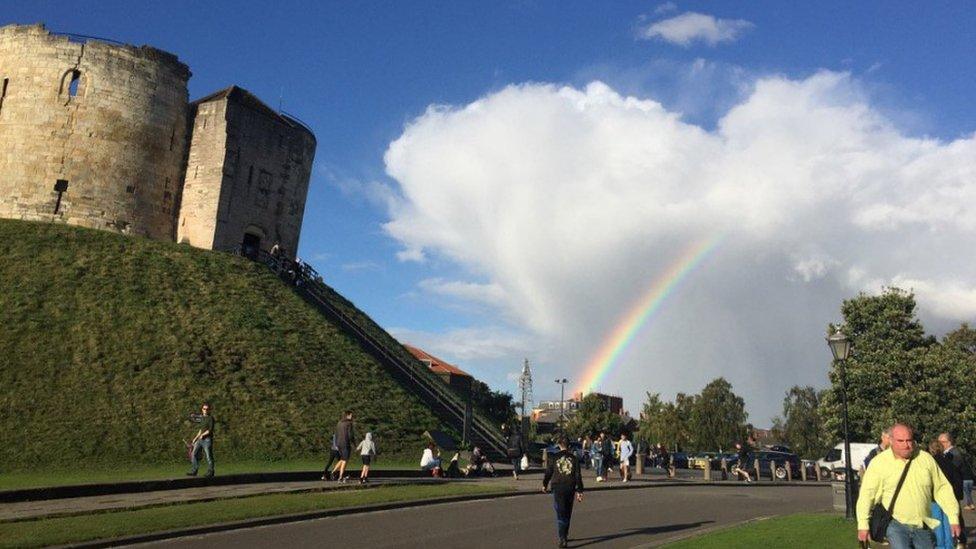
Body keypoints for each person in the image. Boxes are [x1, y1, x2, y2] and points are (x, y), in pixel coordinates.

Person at [856, 423, 960, 548]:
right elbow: (867, 495)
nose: (906, 445)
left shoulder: (925, 459)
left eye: (909, 440)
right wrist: (863, 525)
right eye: (901, 441)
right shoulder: (879, 463)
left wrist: (954, 519)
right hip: (895, 524)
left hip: (922, 524)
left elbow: (942, 488)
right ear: (891, 441)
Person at [543, 436, 584, 548]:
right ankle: (565, 534)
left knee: (560, 512)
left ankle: (562, 538)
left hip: (558, 486)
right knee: (567, 511)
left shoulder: (554, 457)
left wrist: (544, 484)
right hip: (570, 486)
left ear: (559, 445)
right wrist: (580, 490)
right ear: (569, 446)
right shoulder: (574, 459)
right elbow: (577, 476)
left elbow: (549, 472)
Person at [929, 440, 961, 549]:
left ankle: (940, 546)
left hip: (934, 498)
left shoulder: (930, 463)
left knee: (937, 525)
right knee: (948, 525)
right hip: (949, 498)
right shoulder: (949, 463)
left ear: (931, 450)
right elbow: (956, 480)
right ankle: (949, 546)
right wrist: (957, 496)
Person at [938, 432, 969, 543]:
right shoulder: (947, 454)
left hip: (953, 489)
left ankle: (961, 539)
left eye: (941, 442)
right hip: (951, 489)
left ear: (948, 442)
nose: (939, 444)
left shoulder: (954, 454)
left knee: (956, 515)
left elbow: (952, 473)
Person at [186, 402, 215, 477]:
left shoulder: (210, 418)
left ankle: (211, 471)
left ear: (209, 410)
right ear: (202, 409)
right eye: (204, 409)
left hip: (207, 440)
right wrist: (195, 438)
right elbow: (201, 430)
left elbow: (210, 430)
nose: (205, 410)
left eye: (207, 409)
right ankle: (194, 470)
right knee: (193, 454)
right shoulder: (202, 418)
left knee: (208, 456)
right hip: (200, 439)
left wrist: (203, 435)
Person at [331, 410, 356, 483]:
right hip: (345, 443)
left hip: (339, 443)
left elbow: (336, 433)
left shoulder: (339, 423)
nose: (352, 417)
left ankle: (333, 472)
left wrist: (336, 443)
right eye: (351, 415)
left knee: (342, 458)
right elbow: (350, 435)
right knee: (345, 460)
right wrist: (354, 444)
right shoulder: (349, 423)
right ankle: (341, 477)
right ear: (347, 415)